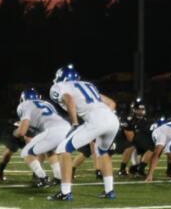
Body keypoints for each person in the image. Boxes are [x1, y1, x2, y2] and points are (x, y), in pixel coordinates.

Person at [47, 64, 119, 201]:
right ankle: (109, 191)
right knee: (102, 152)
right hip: (112, 119)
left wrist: (75, 123)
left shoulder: (59, 86)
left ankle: (65, 192)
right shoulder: (88, 85)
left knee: (63, 149)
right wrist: (106, 119)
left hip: (96, 119)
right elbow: (112, 103)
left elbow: (69, 99)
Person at [9, 88, 70, 186]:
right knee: (50, 150)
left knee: (26, 153)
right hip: (66, 127)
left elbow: (22, 132)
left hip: (53, 129)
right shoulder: (47, 104)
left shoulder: (24, 105)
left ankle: (42, 178)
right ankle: (58, 177)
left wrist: (14, 132)